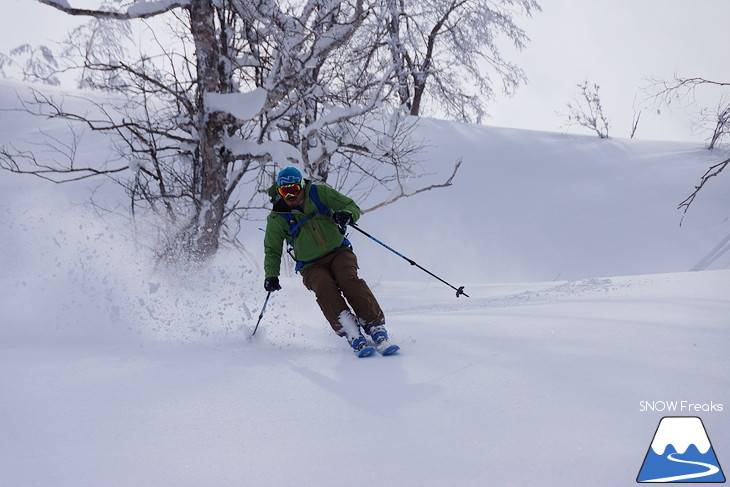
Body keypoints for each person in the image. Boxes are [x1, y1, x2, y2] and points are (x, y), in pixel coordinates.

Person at [263, 166, 398, 357]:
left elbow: (351, 206)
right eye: (285, 191)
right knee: (324, 286)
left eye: (294, 189)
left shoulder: (319, 193)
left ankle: (375, 326)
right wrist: (271, 275)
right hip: (310, 265)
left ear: (302, 186)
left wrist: (347, 215)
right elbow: (272, 249)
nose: (290, 195)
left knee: (348, 278)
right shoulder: (277, 217)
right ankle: (351, 331)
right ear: (279, 191)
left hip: (339, 252)